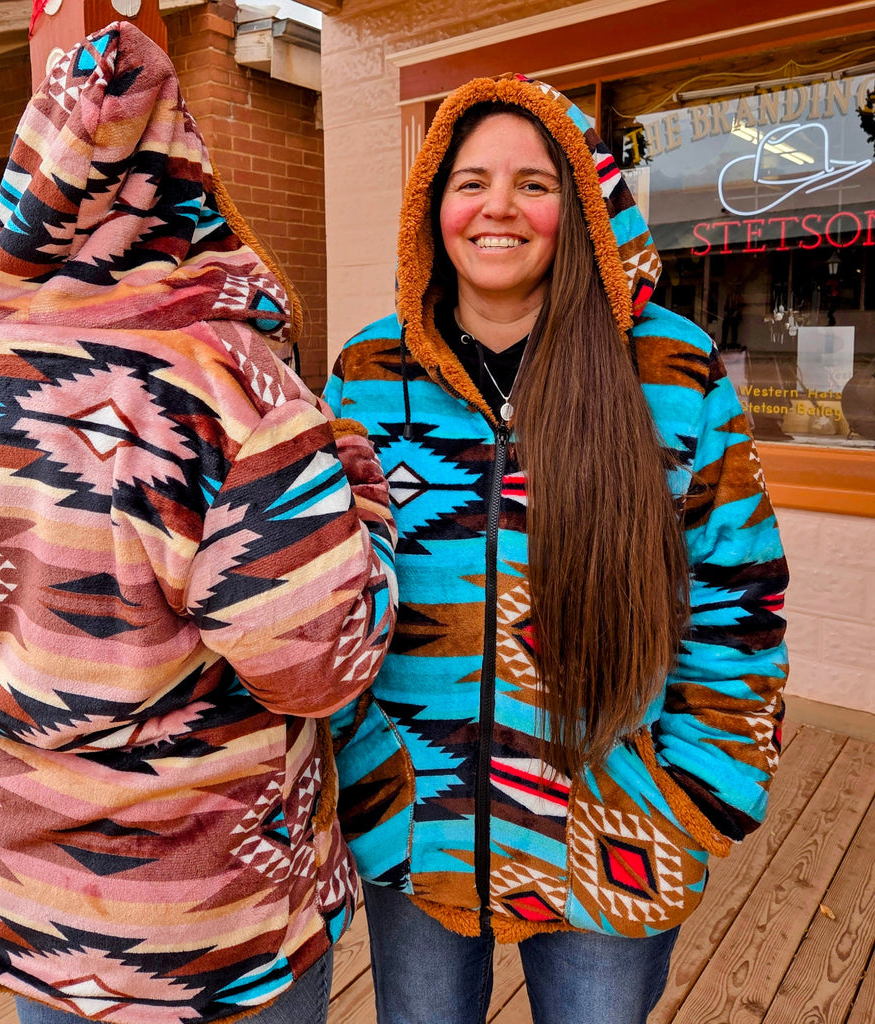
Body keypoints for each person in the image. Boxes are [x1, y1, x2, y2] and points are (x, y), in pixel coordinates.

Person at [0, 23, 396, 1024]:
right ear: (182, 185)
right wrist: (361, 490)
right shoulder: (226, 391)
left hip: (20, 900)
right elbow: (319, 662)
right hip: (207, 922)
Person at [325, 75, 789, 1024]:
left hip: (617, 826)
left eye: (534, 183)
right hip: (417, 824)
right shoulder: (366, 375)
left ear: (579, 207)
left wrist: (695, 793)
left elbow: (741, 603)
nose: (498, 207)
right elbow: (331, 596)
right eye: (471, 181)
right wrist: (363, 773)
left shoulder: (672, 370)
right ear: (433, 205)